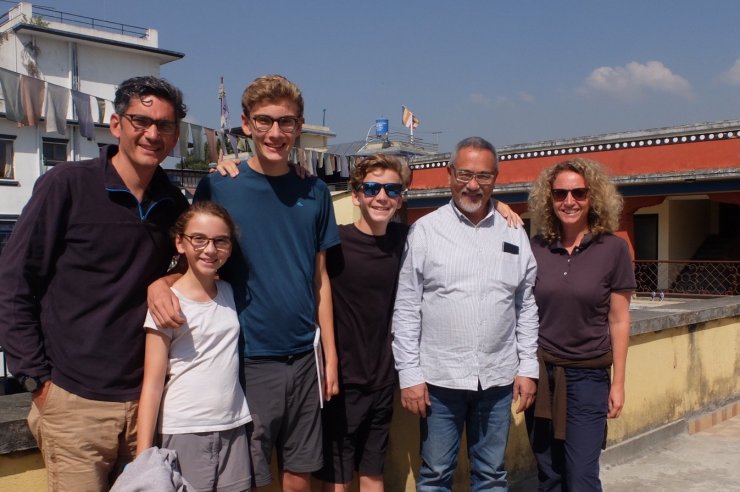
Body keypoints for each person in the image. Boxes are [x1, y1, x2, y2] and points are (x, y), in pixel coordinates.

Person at [148, 74, 340, 492]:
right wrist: (159, 283)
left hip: (305, 357)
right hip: (246, 358)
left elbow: (320, 279)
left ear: (299, 125)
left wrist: (330, 357)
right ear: (246, 124)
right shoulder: (220, 184)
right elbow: (195, 255)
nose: (275, 132)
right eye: (264, 121)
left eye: (286, 122)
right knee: (250, 476)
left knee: (300, 473)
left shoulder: (315, 190)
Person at [0, 76, 188, 490]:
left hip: (146, 402)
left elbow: (203, 259)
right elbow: (13, 281)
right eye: (141, 121)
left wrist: (167, 278)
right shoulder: (67, 184)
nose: (152, 134)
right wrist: (35, 380)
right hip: (74, 402)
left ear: (176, 137)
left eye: (164, 125)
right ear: (116, 124)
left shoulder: (172, 201)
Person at [392, 136, 539, 491]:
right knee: (435, 475)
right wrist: (409, 374)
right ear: (450, 174)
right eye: (465, 174)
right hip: (440, 381)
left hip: (498, 380)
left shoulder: (514, 232)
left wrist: (528, 367)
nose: (473, 185)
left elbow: (525, 304)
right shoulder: (426, 231)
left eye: (483, 176)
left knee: (492, 475)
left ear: (495, 179)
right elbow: (407, 307)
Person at [525, 158, 635, 491]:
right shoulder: (536, 247)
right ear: (549, 199)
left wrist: (618, 383)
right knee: (550, 474)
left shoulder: (613, 249)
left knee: (582, 476)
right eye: (560, 194)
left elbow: (619, 319)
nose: (569, 201)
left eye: (578, 193)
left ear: (593, 197)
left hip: (588, 378)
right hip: (542, 376)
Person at [137, 201, 252, 491]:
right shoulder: (167, 302)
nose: (210, 249)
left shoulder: (228, 291)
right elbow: (152, 383)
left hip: (233, 426)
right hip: (184, 429)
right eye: (199, 239)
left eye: (220, 241)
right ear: (180, 243)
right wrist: (143, 456)